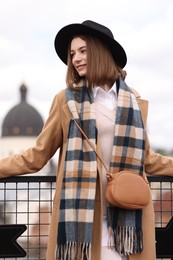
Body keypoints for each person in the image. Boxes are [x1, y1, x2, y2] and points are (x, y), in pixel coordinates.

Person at [0, 20, 173, 260]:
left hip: (127, 221)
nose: (76, 59)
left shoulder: (133, 103)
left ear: (101, 52)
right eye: (72, 54)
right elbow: (36, 156)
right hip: (83, 222)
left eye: (83, 51)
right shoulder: (65, 102)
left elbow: (147, 159)